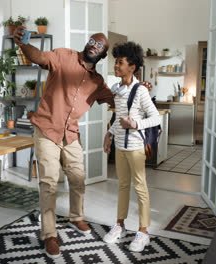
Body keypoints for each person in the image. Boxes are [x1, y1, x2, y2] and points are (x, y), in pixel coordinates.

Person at [12, 27, 151, 259]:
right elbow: (38, 56)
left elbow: (120, 99)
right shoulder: (63, 56)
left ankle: (76, 217)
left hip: (70, 134)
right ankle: (49, 235)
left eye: (98, 46)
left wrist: (140, 89)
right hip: (47, 129)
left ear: (103, 55)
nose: (92, 46)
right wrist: (22, 44)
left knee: (78, 178)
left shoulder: (98, 82)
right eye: (91, 41)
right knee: (48, 183)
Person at [102, 42, 160, 252]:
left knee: (140, 188)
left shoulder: (141, 91)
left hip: (135, 148)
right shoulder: (117, 90)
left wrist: (136, 124)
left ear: (132, 67)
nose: (116, 66)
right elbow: (118, 118)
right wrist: (109, 133)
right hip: (120, 146)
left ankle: (143, 232)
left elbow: (155, 118)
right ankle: (119, 226)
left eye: (120, 62)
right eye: (116, 62)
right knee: (122, 186)